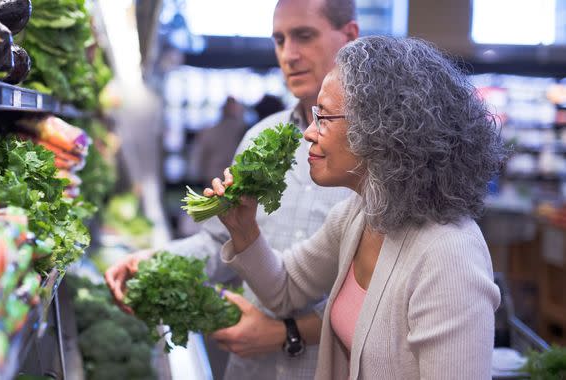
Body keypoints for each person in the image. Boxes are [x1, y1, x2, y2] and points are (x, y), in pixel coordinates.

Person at [206, 36, 506, 380]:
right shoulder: (359, 216)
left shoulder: (449, 254)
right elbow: (285, 290)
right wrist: (243, 229)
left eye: (324, 117)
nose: (308, 133)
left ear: (383, 129)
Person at [106, 0, 359, 378]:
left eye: (304, 36)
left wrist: (285, 332)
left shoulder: (373, 154)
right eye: (279, 39)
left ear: (349, 37)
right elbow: (219, 243)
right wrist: (156, 261)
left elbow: (375, 295)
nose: (288, 54)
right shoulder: (259, 138)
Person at [189, 96, 247, 183]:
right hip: (229, 179)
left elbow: (198, 159)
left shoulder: (209, 131)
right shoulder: (244, 132)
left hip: (214, 178)